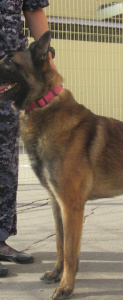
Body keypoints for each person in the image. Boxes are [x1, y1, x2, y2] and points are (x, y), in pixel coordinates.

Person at [0, 0, 55, 277]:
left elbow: (33, 10)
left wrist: (49, 65)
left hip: (12, 73)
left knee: (5, 160)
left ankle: (0, 240)